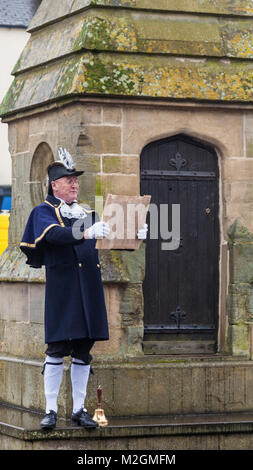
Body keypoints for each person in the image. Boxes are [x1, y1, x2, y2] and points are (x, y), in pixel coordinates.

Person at [20, 148, 148, 430]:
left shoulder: (87, 212)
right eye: (69, 181)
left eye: (76, 181)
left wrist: (135, 235)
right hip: (63, 289)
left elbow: (108, 239)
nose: (75, 185)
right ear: (55, 185)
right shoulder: (44, 211)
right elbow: (53, 234)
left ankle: (79, 409)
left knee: (83, 349)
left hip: (89, 287)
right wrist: (86, 232)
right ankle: (51, 410)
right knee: (56, 348)